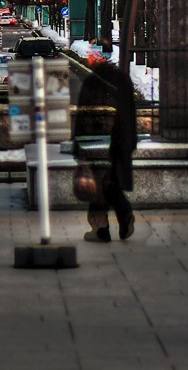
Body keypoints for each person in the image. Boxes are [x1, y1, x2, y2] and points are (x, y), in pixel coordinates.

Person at [72, 46, 137, 243]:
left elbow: (86, 115)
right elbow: (129, 114)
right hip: (120, 141)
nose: (88, 57)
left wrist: (78, 143)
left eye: (92, 54)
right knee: (111, 184)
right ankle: (124, 216)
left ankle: (101, 228)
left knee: (98, 187)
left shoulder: (93, 81)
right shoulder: (123, 79)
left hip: (97, 142)